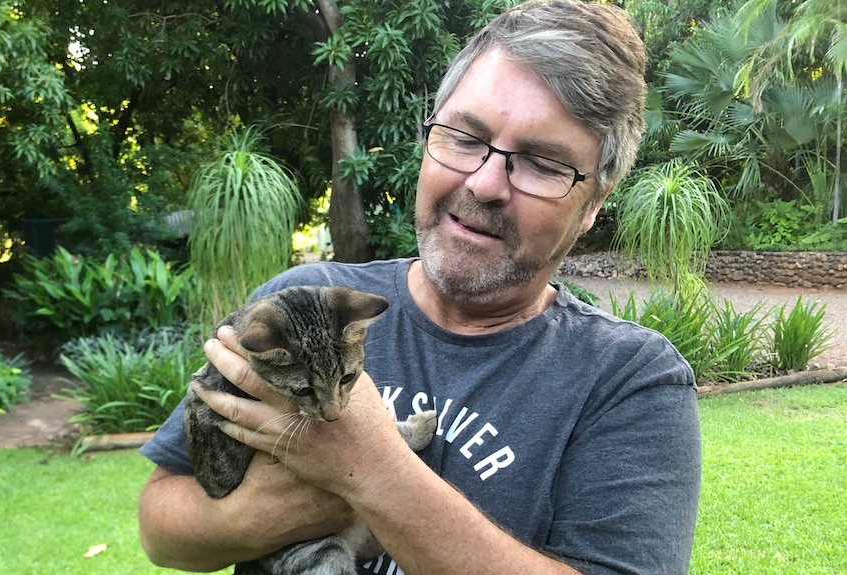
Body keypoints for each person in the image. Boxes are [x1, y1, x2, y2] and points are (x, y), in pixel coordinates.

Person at [137, 1, 702, 574]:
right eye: (464, 136)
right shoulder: (306, 303)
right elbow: (162, 530)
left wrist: (373, 469)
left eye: (540, 163)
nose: (483, 184)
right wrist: (289, 507)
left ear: (592, 207)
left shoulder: (630, 379)